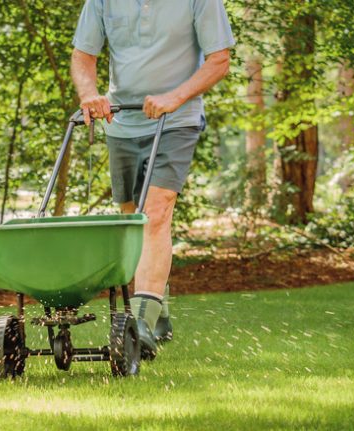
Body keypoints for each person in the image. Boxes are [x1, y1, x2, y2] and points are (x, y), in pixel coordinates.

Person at [70, 0, 234, 357]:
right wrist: (89, 94)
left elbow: (219, 59)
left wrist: (174, 97)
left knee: (155, 214)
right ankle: (158, 306)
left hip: (176, 120)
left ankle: (140, 325)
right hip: (122, 122)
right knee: (131, 220)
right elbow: (83, 55)